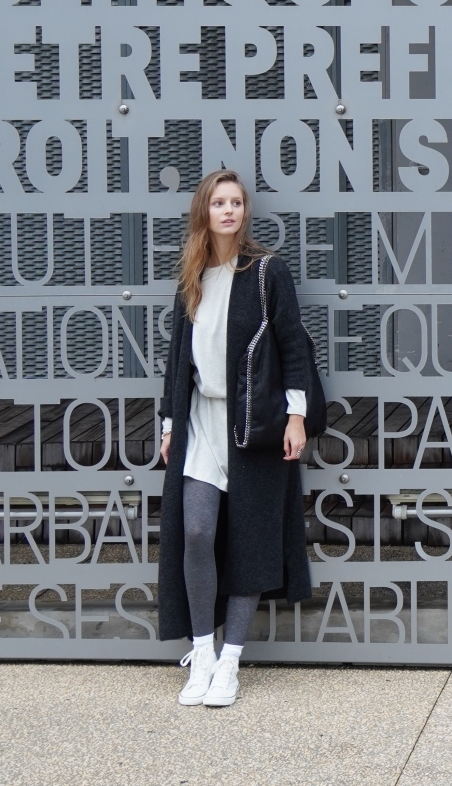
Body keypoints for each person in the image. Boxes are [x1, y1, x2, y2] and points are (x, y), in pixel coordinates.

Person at [156, 170, 318, 707]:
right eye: (220, 203)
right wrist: (169, 424)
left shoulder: (267, 271)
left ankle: (230, 663)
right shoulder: (193, 275)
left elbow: (294, 344)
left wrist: (296, 418)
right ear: (204, 211)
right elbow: (178, 359)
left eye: (237, 202)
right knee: (197, 531)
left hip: (255, 425)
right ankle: (202, 651)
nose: (230, 211)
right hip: (202, 422)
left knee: (251, 538)